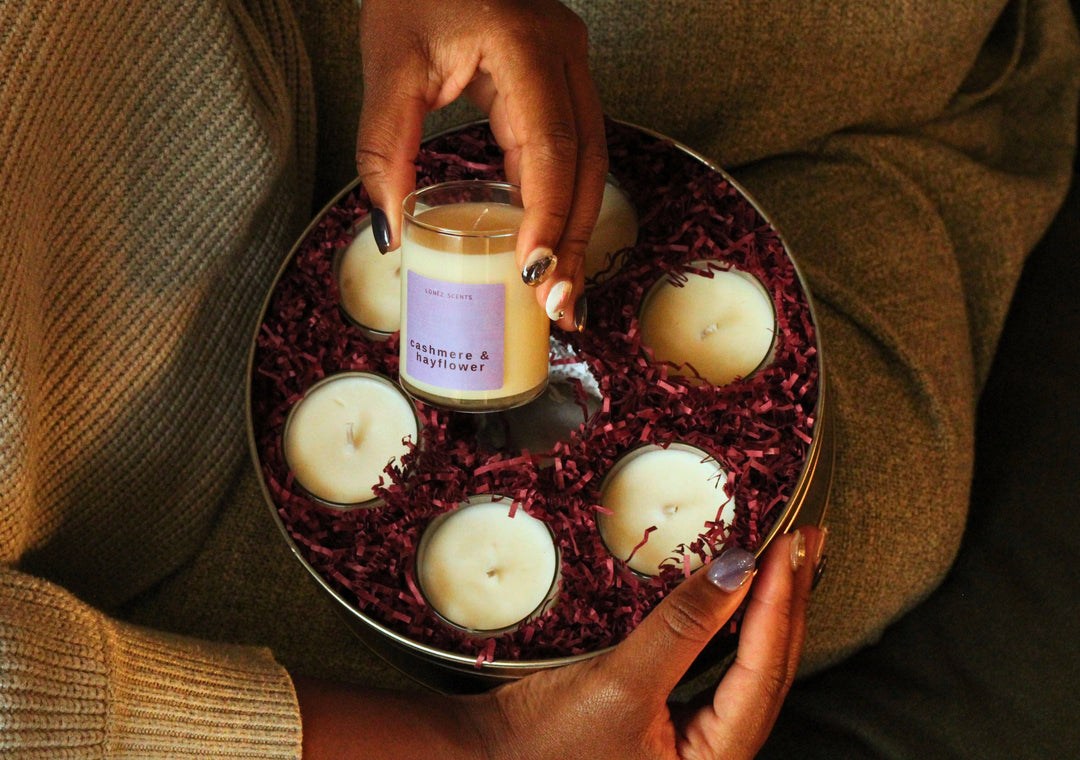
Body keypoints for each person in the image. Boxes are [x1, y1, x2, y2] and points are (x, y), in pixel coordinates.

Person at [1, 0, 1076, 758]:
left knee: (917, 16)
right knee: (890, 486)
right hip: (190, 531)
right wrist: (475, 746)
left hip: (296, 42)